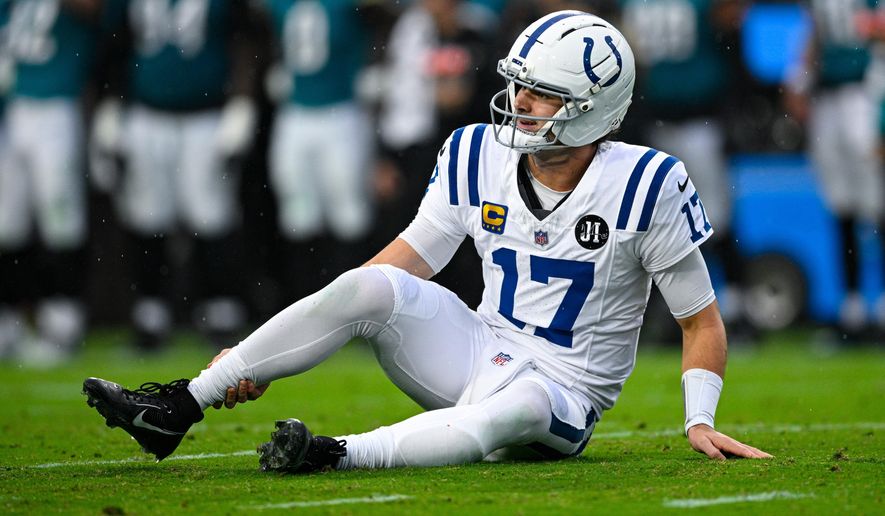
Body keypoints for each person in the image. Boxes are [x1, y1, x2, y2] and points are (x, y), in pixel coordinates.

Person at [83, 11, 771, 471]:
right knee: (368, 283)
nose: (518, 103)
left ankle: (336, 454)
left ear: (593, 109)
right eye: (517, 86)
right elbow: (405, 262)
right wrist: (257, 359)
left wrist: (698, 419)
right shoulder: (475, 153)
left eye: (540, 94)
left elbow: (697, 319)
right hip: (478, 345)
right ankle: (178, 405)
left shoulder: (647, 181)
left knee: (521, 408)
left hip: (562, 394)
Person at [90, 0, 262, 350]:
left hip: (207, 113)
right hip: (146, 111)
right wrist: (110, 102)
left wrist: (243, 100)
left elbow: (246, 39)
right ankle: (151, 313)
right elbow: (114, 42)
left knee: (211, 214)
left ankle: (220, 311)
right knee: (147, 214)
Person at [0, 0, 103, 364]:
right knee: (7, 224)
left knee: (60, 216)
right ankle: (9, 320)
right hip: (13, 107)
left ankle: (63, 321)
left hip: (57, 106)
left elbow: (92, 10)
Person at [784, 0, 883, 339]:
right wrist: (800, 78)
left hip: (867, 91)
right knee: (842, 205)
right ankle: (852, 306)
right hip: (829, 96)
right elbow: (813, 33)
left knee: (877, 203)